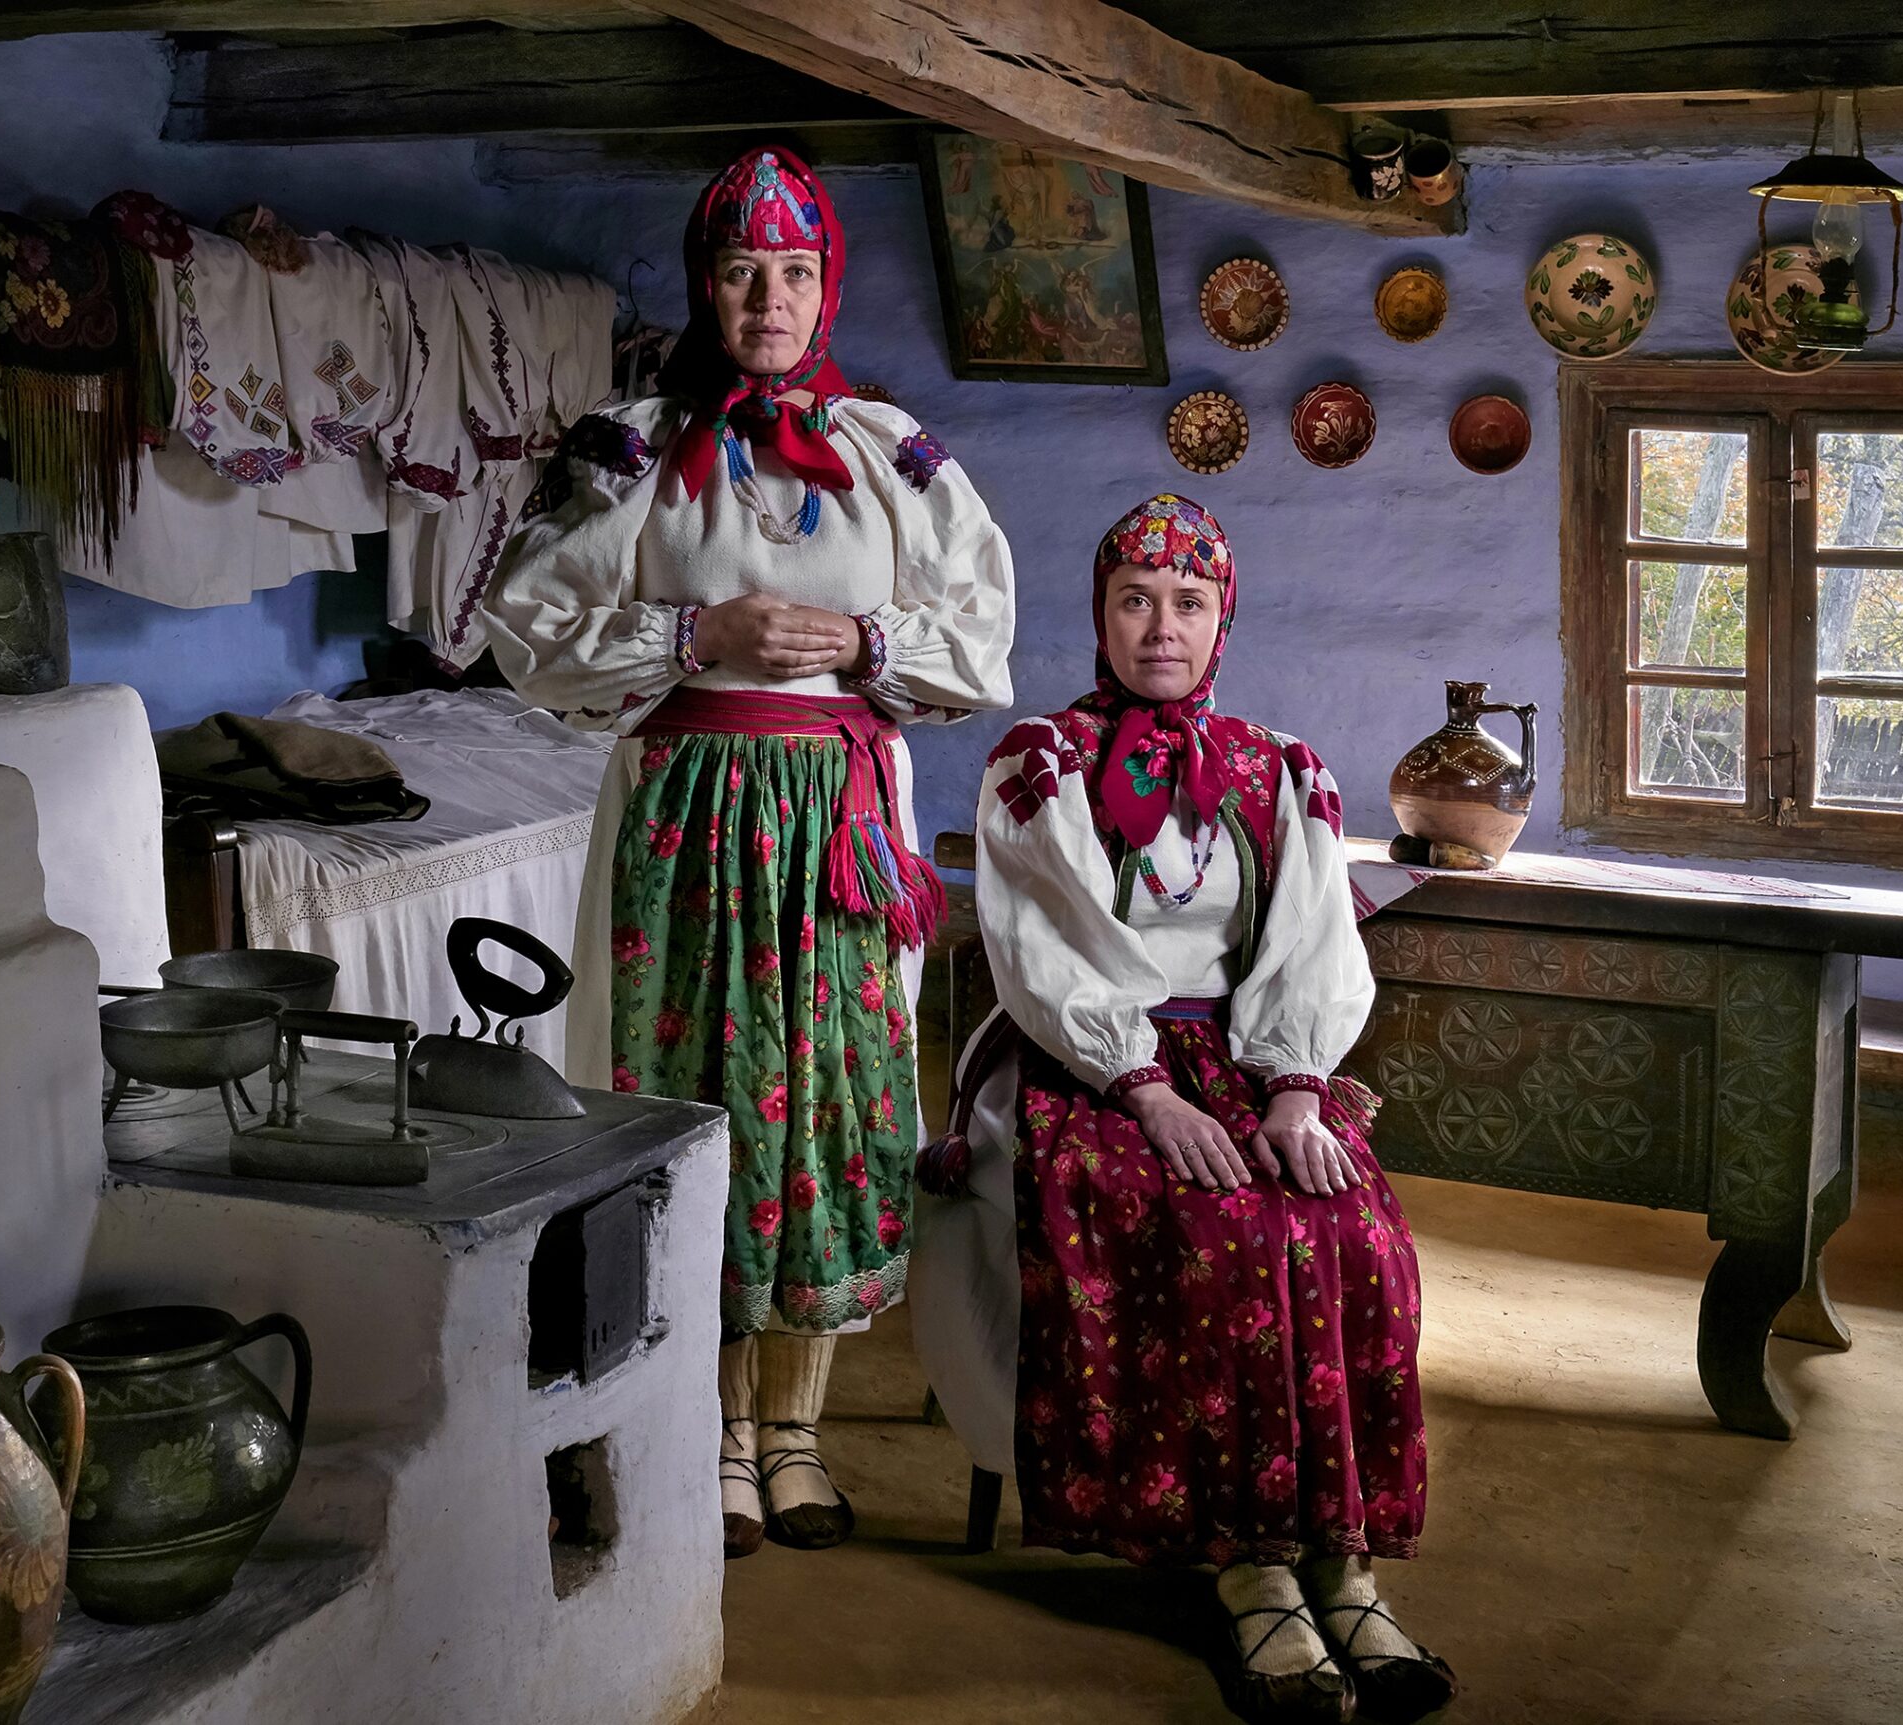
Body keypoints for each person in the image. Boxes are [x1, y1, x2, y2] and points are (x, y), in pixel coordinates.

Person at [485, 147, 1015, 1561]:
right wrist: (694, 633)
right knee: (699, 1095)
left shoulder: (890, 452)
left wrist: (865, 641)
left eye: (792, 272)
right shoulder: (631, 449)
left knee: (830, 1101)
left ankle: (795, 1435)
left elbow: (983, 637)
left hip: (839, 823)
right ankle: (713, 1431)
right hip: (684, 817)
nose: (767, 300)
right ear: (704, 286)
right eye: (739, 272)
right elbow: (524, 629)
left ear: (825, 286)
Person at [918, 496, 1453, 1722]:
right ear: (1099, 616)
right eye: (1135, 601)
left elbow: (1311, 941)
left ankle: (1343, 1563)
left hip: (1248, 1057)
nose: (1161, 628)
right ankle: (1247, 1566)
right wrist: (1146, 1090)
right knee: (1214, 1228)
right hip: (1084, 1057)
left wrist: (1297, 1090)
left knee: (1355, 1229)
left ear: (1223, 621)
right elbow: (1046, 950)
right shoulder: (1042, 762)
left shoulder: (1279, 767)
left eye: (1188, 602)